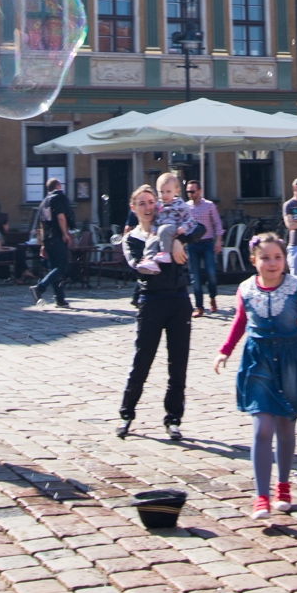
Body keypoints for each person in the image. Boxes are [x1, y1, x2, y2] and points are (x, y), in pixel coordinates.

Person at [213, 234, 297, 518]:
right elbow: (240, 321)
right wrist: (224, 350)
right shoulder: (245, 289)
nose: (272, 263)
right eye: (265, 258)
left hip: (290, 360)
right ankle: (261, 496)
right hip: (258, 361)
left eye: (277, 257)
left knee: (286, 426)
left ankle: (284, 485)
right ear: (254, 261)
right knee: (262, 427)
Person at [117, 185, 191, 440]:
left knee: (178, 363)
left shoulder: (169, 228)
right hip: (151, 301)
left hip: (179, 298)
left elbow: (200, 230)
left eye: (151, 202)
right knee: (142, 359)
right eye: (142, 204)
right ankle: (127, 414)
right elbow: (138, 268)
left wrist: (179, 240)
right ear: (133, 208)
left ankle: (173, 419)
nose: (148, 208)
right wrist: (165, 247)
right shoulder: (133, 238)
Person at [134, 172, 198, 275]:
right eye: (161, 192)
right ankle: (149, 259)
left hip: (174, 227)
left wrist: (183, 228)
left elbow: (191, 219)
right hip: (160, 230)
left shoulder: (180, 204)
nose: (164, 195)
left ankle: (166, 253)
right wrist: (153, 231)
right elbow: (156, 220)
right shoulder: (159, 205)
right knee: (152, 239)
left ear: (176, 191)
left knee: (164, 230)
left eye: (168, 191)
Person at [32, 178, 74, 309]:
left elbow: (41, 224)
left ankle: (59, 298)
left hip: (47, 238)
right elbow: (61, 217)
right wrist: (65, 234)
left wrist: (42, 244)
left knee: (55, 268)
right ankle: (39, 288)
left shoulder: (44, 201)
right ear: (58, 185)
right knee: (62, 266)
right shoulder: (58, 197)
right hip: (57, 237)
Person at [186, 179, 223, 316]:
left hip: (207, 242)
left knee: (211, 274)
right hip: (192, 244)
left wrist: (218, 240)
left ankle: (212, 297)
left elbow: (217, 224)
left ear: (199, 191)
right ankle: (199, 306)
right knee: (195, 276)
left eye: (192, 191)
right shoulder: (186, 207)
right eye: (188, 191)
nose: (190, 194)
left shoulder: (209, 205)